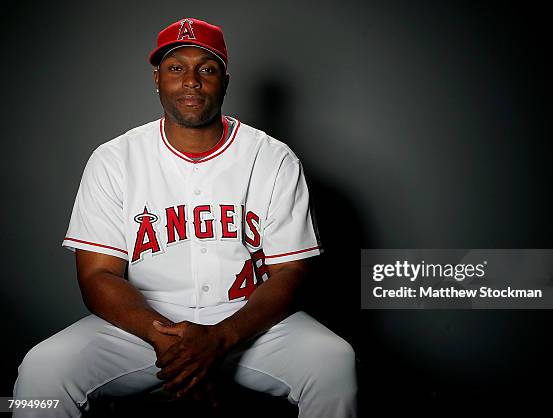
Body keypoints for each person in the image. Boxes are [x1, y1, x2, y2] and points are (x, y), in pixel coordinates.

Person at [12, 17, 357, 418]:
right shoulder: (114, 159)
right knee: (42, 369)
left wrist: (222, 336)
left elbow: (290, 272)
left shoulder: (272, 157)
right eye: (176, 68)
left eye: (206, 69)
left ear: (225, 80)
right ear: (157, 78)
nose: (191, 81)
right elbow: (96, 276)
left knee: (333, 361)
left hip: (248, 324)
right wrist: (167, 340)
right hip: (141, 326)